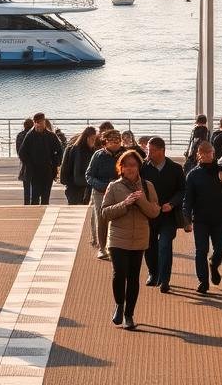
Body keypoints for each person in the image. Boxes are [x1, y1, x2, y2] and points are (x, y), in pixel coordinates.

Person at [100, 149, 160, 329]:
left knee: (134, 277)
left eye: (134, 165)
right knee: (120, 273)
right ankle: (119, 304)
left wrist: (141, 200)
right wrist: (124, 204)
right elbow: (104, 213)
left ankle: (129, 315)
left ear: (139, 167)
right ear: (121, 168)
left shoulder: (148, 186)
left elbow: (154, 212)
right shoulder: (114, 187)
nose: (131, 169)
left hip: (139, 238)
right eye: (126, 165)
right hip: (118, 238)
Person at [182, 140, 222, 294]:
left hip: (220, 219)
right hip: (200, 219)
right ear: (198, 155)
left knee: (220, 249)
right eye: (204, 153)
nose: (207, 155)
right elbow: (187, 199)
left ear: (214, 154)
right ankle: (203, 282)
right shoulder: (193, 175)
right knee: (201, 250)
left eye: (210, 153)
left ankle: (214, 265)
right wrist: (186, 219)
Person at [140, 136, 185, 293]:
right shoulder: (143, 168)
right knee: (150, 245)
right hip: (148, 214)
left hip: (168, 215)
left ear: (162, 151)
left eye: (152, 151)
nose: (149, 153)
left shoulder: (176, 169)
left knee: (165, 245)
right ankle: (153, 273)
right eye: (148, 150)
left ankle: (165, 280)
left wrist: (172, 204)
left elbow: (182, 190)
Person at [86, 128, 123, 259]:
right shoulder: (98, 155)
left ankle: (117, 246)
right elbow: (89, 175)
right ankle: (102, 248)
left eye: (118, 140)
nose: (116, 143)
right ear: (105, 142)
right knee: (102, 218)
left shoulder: (124, 154)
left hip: (120, 190)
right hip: (100, 191)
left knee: (120, 217)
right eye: (112, 141)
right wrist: (102, 186)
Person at [20, 113, 64, 205]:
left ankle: (44, 214)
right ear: (34, 123)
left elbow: (60, 151)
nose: (40, 125)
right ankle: (34, 217)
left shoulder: (51, 136)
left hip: (48, 171)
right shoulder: (30, 136)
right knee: (34, 199)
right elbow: (22, 153)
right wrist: (29, 164)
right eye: (37, 123)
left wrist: (55, 163)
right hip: (34, 172)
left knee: (45, 198)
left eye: (42, 122)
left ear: (44, 122)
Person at [63, 126, 99, 207]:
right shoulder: (79, 151)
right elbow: (77, 173)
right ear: (87, 138)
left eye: (95, 139)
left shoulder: (87, 150)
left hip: (77, 186)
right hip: (77, 188)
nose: (94, 142)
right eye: (92, 139)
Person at [15, 118, 34, 204]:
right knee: (35, 185)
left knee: (26, 185)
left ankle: (27, 203)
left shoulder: (20, 135)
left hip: (25, 163)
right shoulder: (34, 135)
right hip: (35, 163)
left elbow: (18, 150)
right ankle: (34, 202)